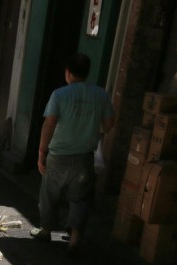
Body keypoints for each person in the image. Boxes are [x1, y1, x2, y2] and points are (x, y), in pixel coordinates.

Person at [36, 52, 115, 253]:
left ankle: (46, 230)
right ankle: (75, 240)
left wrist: (41, 152)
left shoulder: (59, 95)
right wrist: (90, 130)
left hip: (59, 154)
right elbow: (108, 125)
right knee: (80, 198)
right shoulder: (101, 95)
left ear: (68, 73)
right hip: (84, 156)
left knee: (50, 194)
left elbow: (49, 123)